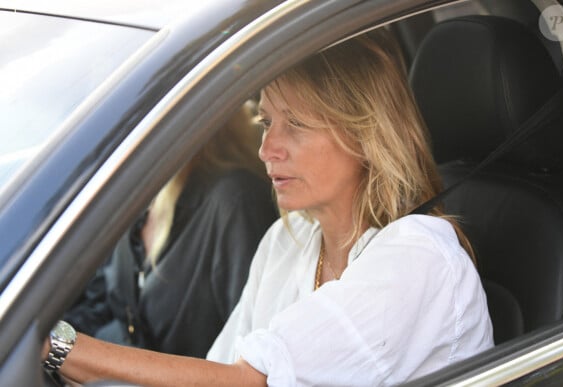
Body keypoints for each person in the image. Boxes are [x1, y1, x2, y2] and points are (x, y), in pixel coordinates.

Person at [43, 28, 494, 386]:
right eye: (266, 122)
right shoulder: (287, 240)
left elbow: (249, 382)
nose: (267, 148)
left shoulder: (418, 258)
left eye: (295, 125)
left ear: (365, 136)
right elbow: (221, 366)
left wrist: (53, 347)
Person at [62, 103, 279, 358]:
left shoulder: (235, 201)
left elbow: (249, 355)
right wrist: (53, 347)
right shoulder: (139, 198)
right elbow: (103, 305)